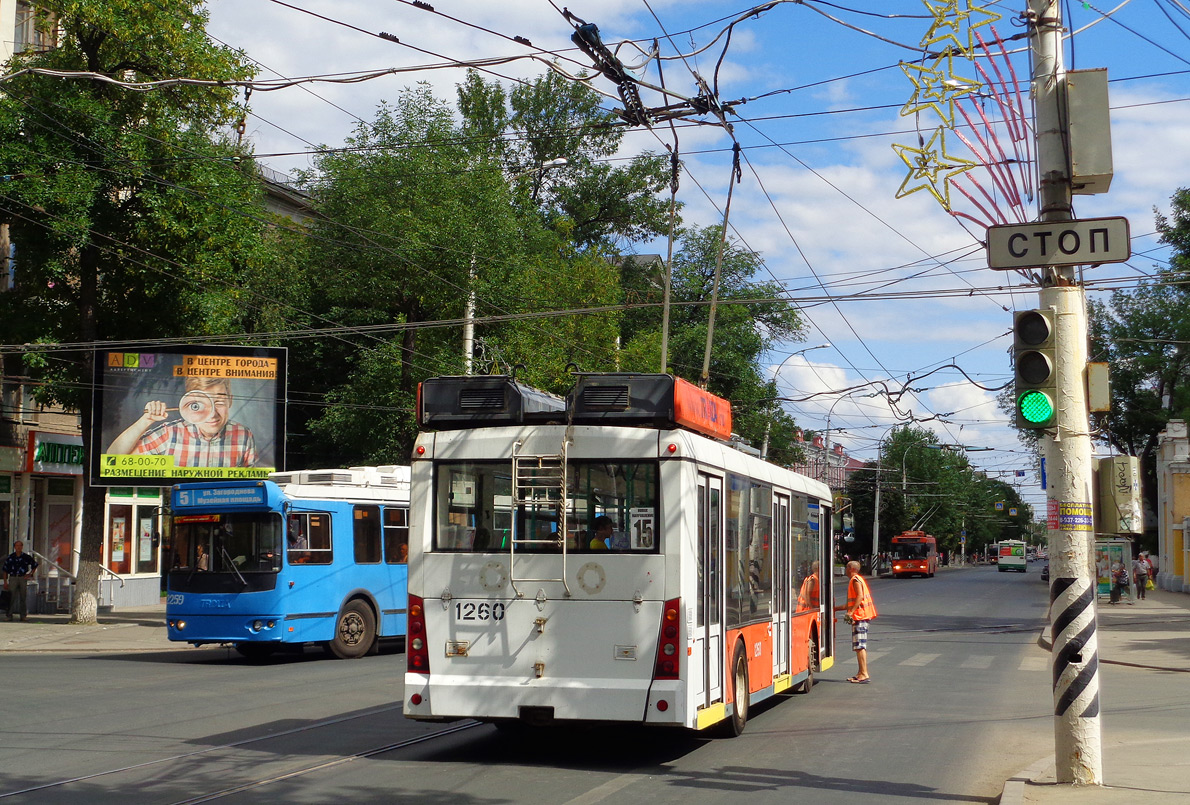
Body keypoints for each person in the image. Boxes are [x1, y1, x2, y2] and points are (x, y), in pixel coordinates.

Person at [107, 376, 258, 467]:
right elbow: (112, 459)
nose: (212, 413)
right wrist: (145, 420)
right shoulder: (170, 434)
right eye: (200, 404)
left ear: (230, 401)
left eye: (218, 402)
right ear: (191, 404)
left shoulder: (243, 435)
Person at [836, 560, 878, 683]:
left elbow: (859, 597)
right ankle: (860, 673)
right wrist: (835, 608)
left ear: (851, 569)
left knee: (860, 646)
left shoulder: (855, 580)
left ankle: (864, 673)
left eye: (847, 567)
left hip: (860, 616)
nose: (846, 570)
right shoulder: (858, 579)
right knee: (858, 645)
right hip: (861, 615)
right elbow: (851, 602)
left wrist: (851, 612)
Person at [3, 541, 38, 622]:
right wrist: (5, 581)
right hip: (13, 578)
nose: (18, 547)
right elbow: (5, 570)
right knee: (11, 597)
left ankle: (23, 616)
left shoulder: (26, 557)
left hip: (22, 578)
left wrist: (30, 574)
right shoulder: (10, 557)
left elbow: (34, 564)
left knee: (23, 597)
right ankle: (9, 615)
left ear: (22, 547)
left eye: (20, 545)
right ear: (14, 547)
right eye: (16, 546)